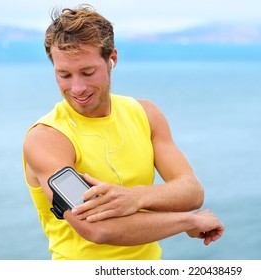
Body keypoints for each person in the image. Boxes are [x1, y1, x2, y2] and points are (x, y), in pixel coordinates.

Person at [22, 4, 224, 260]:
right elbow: (97, 228)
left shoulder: (145, 114)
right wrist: (188, 222)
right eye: (64, 75)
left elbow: (192, 191)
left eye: (88, 72)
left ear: (112, 59)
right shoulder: (47, 139)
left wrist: (135, 197)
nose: (77, 88)